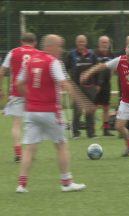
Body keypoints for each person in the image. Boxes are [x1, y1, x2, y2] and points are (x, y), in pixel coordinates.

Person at [15, 34, 87, 193]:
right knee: (61, 145)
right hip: (49, 111)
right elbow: (63, 83)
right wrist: (82, 102)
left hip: (32, 111)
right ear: (50, 46)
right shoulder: (53, 62)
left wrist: (29, 96)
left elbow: (19, 83)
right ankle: (66, 183)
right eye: (59, 46)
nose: (61, 50)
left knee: (29, 148)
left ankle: (22, 184)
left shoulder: (30, 61)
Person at [0, 32, 39, 162]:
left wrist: (0, 88)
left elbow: (2, 71)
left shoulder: (13, 52)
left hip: (17, 92)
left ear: (21, 41)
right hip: (33, 93)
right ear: (34, 42)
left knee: (17, 123)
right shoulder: (38, 54)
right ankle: (31, 153)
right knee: (33, 123)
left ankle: (18, 152)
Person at [65, 35, 98, 138]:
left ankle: (91, 133)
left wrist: (97, 84)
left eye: (83, 42)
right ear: (76, 43)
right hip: (76, 87)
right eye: (79, 42)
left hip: (90, 86)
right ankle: (76, 133)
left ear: (86, 42)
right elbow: (65, 68)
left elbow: (97, 69)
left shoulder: (92, 55)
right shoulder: (71, 55)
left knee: (90, 110)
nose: (81, 44)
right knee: (77, 110)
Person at [94, 36, 115, 136]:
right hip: (96, 84)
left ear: (109, 44)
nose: (104, 44)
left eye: (106, 42)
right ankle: (92, 129)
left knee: (106, 107)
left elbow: (113, 68)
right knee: (94, 106)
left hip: (106, 84)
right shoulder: (94, 54)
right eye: (102, 42)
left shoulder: (111, 55)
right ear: (99, 44)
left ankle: (106, 129)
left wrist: (109, 76)